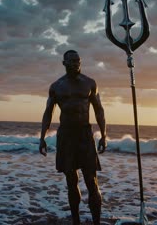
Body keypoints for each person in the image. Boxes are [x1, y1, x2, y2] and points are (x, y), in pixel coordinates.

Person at [39, 50, 107, 225]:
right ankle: (75, 221)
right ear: (64, 63)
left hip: (85, 134)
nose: (76, 64)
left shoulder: (89, 83)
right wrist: (42, 138)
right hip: (66, 135)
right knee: (71, 180)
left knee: (91, 179)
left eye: (78, 61)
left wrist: (104, 135)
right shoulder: (57, 86)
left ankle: (96, 222)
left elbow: (99, 110)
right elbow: (48, 113)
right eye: (72, 61)